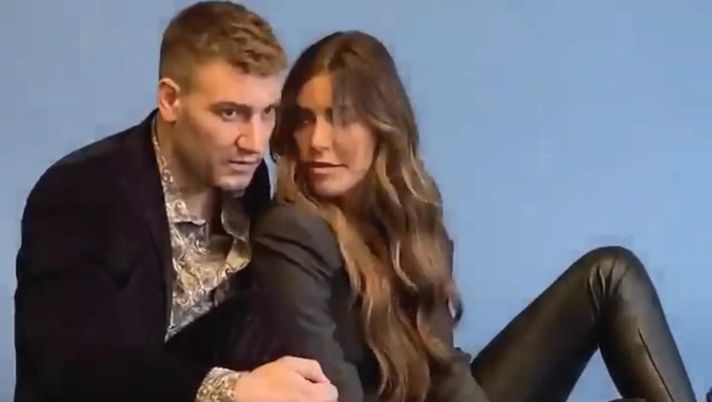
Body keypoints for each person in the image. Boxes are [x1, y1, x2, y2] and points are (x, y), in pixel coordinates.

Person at [247, 31, 698, 402]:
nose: (317, 141)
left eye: (340, 118)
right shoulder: (291, 232)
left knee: (609, 273)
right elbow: (329, 391)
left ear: (382, 126)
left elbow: (443, 368)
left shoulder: (412, 228)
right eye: (304, 119)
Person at [13, 2, 338, 402]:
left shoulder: (242, 177)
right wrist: (232, 389)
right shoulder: (79, 193)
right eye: (230, 113)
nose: (255, 143)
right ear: (170, 100)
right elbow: (69, 367)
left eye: (267, 112)